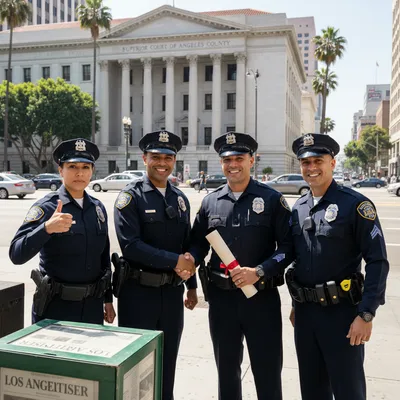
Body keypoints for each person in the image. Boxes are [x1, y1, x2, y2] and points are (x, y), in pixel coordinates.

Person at [189, 132, 292, 400]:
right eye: (227, 160)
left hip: (261, 299)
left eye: (239, 158)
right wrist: (190, 260)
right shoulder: (211, 201)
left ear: (252, 160)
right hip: (222, 300)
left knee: (267, 370)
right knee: (226, 371)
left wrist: (259, 272)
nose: (233, 164)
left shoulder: (271, 200)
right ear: (221, 164)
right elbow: (198, 243)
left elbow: (289, 248)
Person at [287, 133, 389, 400]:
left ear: (332, 163)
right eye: (305, 163)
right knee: (312, 390)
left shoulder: (355, 204)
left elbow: (377, 261)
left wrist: (366, 313)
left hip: (342, 315)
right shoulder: (299, 207)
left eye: (318, 161)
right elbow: (300, 259)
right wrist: (296, 305)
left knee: (348, 390)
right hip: (306, 315)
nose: (311, 168)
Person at [114, 130, 198, 400]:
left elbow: (187, 244)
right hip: (138, 294)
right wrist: (175, 261)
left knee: (167, 362)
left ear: (175, 161)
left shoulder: (180, 199)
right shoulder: (130, 197)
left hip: (172, 295)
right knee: (136, 367)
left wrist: (192, 286)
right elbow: (131, 246)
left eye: (168, 157)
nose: (162, 163)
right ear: (144, 158)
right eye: (155, 157)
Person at [9, 138, 115, 325]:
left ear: (92, 171)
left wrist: (107, 299)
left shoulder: (97, 208)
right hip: (56, 308)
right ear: (61, 170)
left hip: (92, 306)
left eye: (85, 167)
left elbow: (103, 258)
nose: (79, 173)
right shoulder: (46, 207)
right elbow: (16, 254)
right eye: (72, 167)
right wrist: (46, 228)